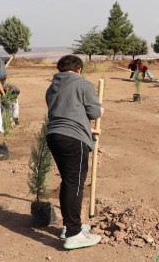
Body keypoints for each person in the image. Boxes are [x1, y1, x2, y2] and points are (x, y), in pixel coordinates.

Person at [45, 55, 103, 250]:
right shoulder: (83, 84)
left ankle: (70, 226)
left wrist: (89, 130)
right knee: (75, 184)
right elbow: (94, 112)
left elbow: (67, 112)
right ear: (79, 69)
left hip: (54, 135)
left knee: (68, 182)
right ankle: (74, 234)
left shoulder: (52, 87)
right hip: (72, 139)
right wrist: (100, 110)